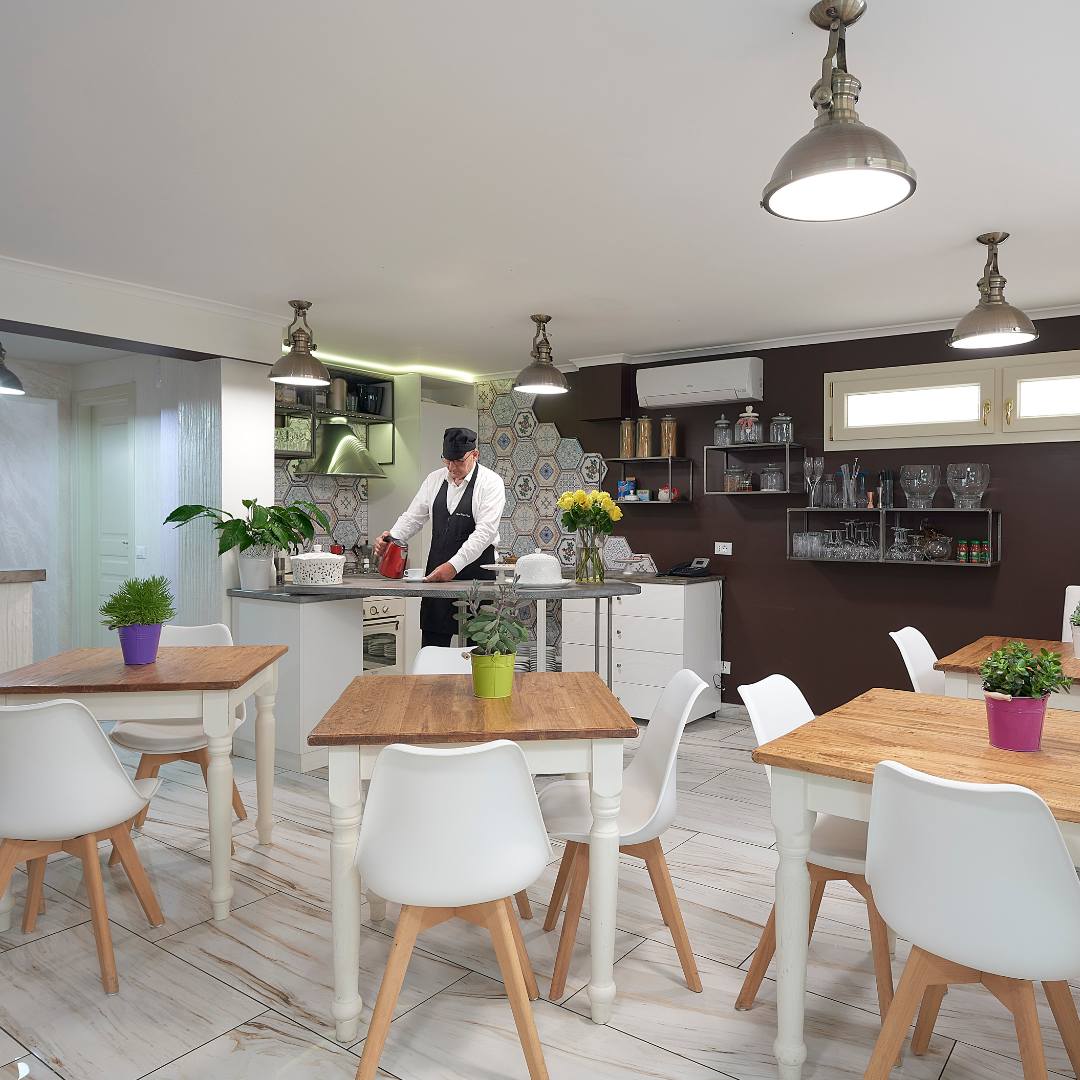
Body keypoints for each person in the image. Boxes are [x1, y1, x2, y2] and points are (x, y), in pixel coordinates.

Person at [373, 427, 505, 647]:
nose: (452, 468)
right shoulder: (434, 480)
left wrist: (453, 566)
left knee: (478, 649)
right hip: (437, 573)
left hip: (477, 576)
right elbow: (413, 518)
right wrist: (391, 538)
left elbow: (485, 533)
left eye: (458, 461)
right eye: (447, 460)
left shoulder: (491, 483)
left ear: (475, 455)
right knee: (432, 644)